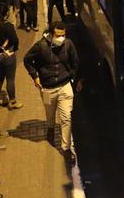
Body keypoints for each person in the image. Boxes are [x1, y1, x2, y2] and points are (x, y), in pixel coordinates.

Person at [23, 21, 81, 164]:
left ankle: (66, 149)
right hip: (48, 88)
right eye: (58, 35)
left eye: (63, 35)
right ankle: (50, 127)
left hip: (64, 86)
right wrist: (35, 76)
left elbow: (75, 62)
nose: (61, 38)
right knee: (50, 114)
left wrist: (77, 79)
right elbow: (27, 60)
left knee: (66, 117)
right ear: (51, 34)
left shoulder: (68, 45)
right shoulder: (41, 46)